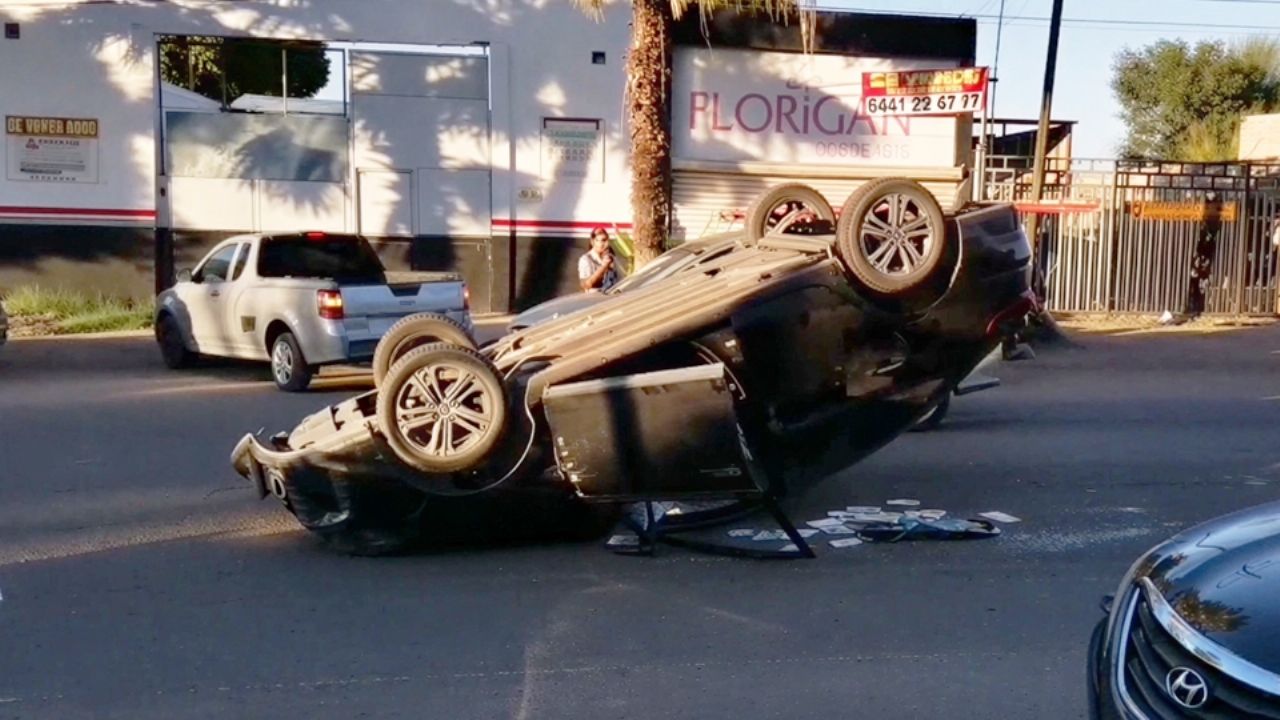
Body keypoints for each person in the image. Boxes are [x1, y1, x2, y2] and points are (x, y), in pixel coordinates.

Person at [578, 227, 620, 292]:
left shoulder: (611, 257)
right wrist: (603, 267)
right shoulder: (585, 259)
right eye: (603, 240)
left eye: (607, 241)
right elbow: (586, 285)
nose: (606, 244)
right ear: (592, 242)